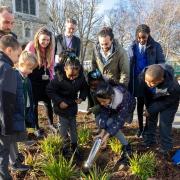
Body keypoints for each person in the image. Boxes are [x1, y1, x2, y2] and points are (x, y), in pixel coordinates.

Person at [0, 5, 28, 173]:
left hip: (9, 88)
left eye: (12, 22)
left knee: (8, 131)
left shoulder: (12, 38)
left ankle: (14, 160)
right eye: (5, 22)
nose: (9, 26)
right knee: (5, 131)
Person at [128, 24, 165, 138]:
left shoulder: (156, 46)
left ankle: (149, 129)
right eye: (139, 37)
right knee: (139, 105)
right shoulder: (132, 47)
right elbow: (129, 63)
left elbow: (161, 62)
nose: (142, 40)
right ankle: (140, 129)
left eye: (144, 37)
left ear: (148, 35)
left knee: (149, 106)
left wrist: (157, 76)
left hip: (150, 81)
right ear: (136, 36)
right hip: (137, 81)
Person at [47, 57, 88, 157]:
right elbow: (49, 90)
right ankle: (64, 148)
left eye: (75, 76)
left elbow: (85, 88)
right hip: (61, 108)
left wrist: (82, 98)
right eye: (70, 76)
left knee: (73, 129)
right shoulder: (58, 78)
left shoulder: (81, 77)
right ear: (65, 69)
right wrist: (59, 101)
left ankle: (74, 147)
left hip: (72, 107)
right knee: (63, 129)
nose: (72, 78)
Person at [140, 64, 180, 158]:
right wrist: (148, 108)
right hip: (153, 98)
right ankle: (149, 141)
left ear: (161, 80)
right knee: (150, 119)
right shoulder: (143, 75)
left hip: (169, 103)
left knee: (164, 124)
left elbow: (166, 103)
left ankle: (166, 148)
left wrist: (151, 110)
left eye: (152, 83)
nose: (148, 85)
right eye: (146, 81)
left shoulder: (173, 87)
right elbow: (145, 92)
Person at [94, 82, 136, 166]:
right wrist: (102, 132)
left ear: (111, 97)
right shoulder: (106, 97)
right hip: (114, 108)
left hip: (126, 109)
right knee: (98, 119)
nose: (101, 103)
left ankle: (127, 148)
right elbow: (104, 113)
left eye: (103, 101)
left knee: (111, 123)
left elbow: (118, 122)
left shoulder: (123, 99)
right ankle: (107, 137)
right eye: (100, 102)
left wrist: (106, 136)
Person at [25, 27, 55, 137]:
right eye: (43, 40)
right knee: (34, 105)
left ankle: (51, 124)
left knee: (48, 102)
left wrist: (51, 79)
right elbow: (26, 62)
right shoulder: (31, 46)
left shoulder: (50, 48)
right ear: (38, 38)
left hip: (45, 76)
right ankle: (37, 128)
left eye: (48, 40)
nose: (46, 42)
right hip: (33, 76)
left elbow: (51, 66)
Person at [10, 50, 37, 171]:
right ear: (21, 64)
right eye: (29, 68)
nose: (31, 71)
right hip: (12, 112)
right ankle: (14, 162)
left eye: (32, 69)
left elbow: (29, 96)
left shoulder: (27, 79)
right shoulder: (14, 76)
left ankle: (16, 156)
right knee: (9, 137)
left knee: (14, 136)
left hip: (23, 109)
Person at [0, 35, 22, 180]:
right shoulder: (7, 69)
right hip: (3, 122)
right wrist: (7, 127)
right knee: (3, 154)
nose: (19, 58)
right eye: (18, 54)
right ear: (9, 50)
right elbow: (5, 101)